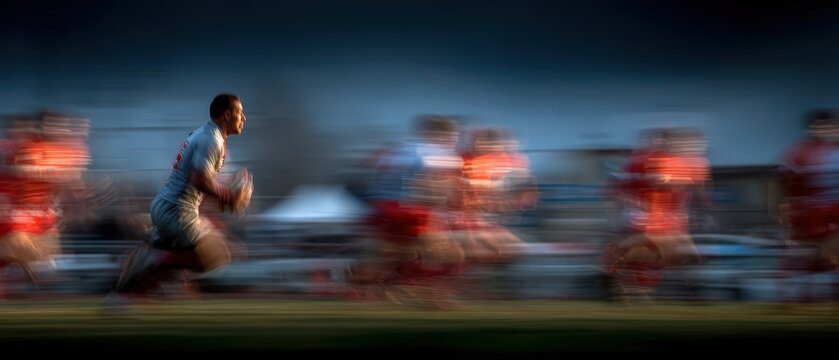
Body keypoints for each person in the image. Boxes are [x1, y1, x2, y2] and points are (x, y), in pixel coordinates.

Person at [108, 93, 252, 304]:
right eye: (240, 112)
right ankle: (159, 258)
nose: (244, 118)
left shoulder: (205, 134)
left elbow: (195, 182)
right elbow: (199, 180)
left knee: (176, 261)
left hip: (167, 206)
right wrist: (229, 196)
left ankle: (122, 298)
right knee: (216, 255)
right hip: (177, 211)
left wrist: (221, 197)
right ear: (226, 115)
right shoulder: (211, 139)